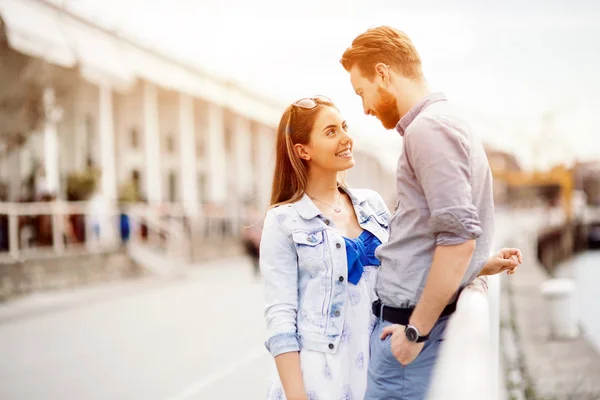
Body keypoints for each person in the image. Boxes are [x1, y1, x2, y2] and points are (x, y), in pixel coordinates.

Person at [260, 95, 522, 400]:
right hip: (318, 379)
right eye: (331, 132)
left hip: (376, 365)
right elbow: (281, 319)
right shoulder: (283, 221)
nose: (346, 138)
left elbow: (407, 264)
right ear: (302, 150)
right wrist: (297, 397)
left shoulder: (371, 204)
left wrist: (481, 264)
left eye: (344, 126)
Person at [339, 25, 505, 399]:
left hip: (410, 347)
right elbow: (447, 233)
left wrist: (415, 333)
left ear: (383, 73)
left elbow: (459, 239)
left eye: (361, 92)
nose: (364, 108)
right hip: (413, 341)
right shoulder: (445, 121)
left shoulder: (428, 130)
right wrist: (482, 265)